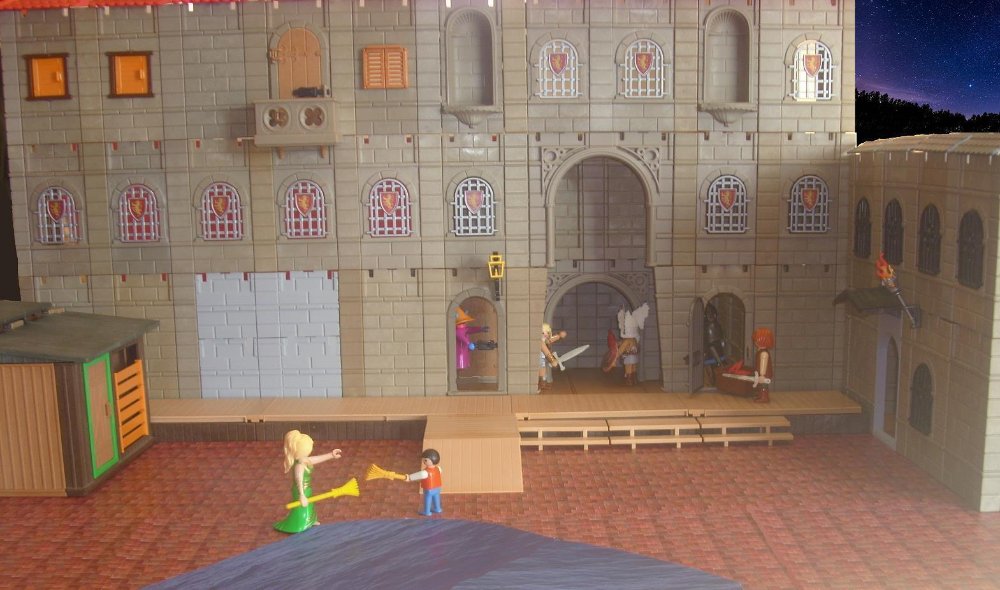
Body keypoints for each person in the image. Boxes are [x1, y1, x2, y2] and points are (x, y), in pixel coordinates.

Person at [273, 430, 342, 534]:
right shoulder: (299, 466)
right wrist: (301, 495)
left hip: (307, 489)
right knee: (302, 507)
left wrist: (331, 455)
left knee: (309, 505)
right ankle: (299, 524)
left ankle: (310, 521)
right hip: (301, 490)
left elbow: (315, 459)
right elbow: (299, 480)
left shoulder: (304, 460)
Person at [616, 303, 649, 387]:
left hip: (628, 357)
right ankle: (634, 380)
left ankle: (629, 381)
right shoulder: (634, 339)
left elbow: (622, 348)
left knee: (628, 368)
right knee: (634, 367)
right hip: (634, 356)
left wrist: (617, 354)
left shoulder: (627, 340)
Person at [405, 448, 443, 516]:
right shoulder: (439, 468)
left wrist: (409, 477)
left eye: (425, 460)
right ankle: (437, 508)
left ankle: (427, 511)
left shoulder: (425, 472)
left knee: (427, 499)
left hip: (429, 489)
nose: (423, 461)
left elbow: (417, 475)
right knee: (436, 498)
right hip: (437, 487)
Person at [703, 303, 727, 386]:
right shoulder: (711, 326)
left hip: (716, 358)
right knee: (713, 380)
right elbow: (711, 346)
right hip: (713, 359)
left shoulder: (714, 325)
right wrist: (719, 362)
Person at [538, 323, 566, 391]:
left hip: (541, 359)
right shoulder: (540, 342)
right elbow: (546, 352)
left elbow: (550, 339)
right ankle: (539, 386)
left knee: (543, 372)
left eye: (547, 332)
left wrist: (559, 336)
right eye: (543, 333)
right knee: (541, 371)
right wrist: (552, 360)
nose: (545, 334)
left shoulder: (545, 340)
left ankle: (542, 385)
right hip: (538, 359)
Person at [750, 327, 774, 403]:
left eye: (756, 340)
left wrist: (762, 375)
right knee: (760, 385)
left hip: (764, 374)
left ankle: (764, 397)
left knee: (763, 385)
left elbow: (763, 363)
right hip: (760, 373)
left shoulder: (763, 353)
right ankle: (761, 395)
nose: (755, 342)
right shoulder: (761, 352)